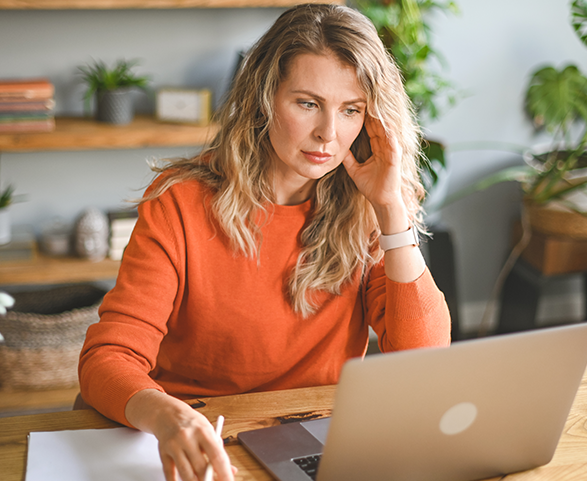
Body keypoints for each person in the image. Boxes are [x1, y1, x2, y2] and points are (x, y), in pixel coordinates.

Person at [78, 4, 451, 481]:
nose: (328, 134)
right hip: (194, 437)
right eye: (307, 103)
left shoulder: (367, 210)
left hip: (315, 441)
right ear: (263, 97)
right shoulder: (181, 202)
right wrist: (166, 415)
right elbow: (109, 357)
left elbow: (423, 362)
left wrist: (391, 209)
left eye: (350, 110)